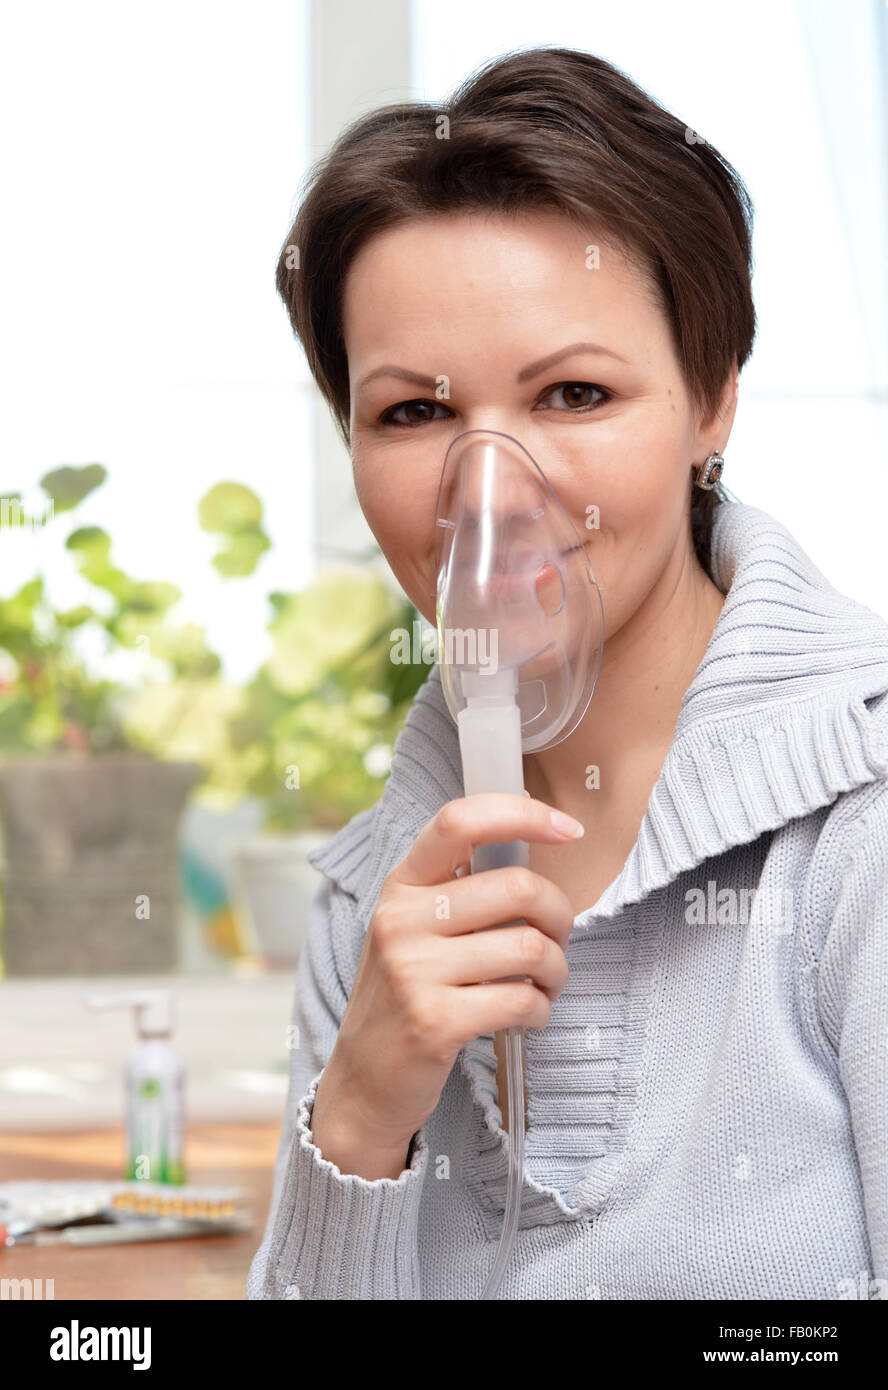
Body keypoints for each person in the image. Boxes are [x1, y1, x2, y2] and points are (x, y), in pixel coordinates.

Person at [247, 47, 888, 1300]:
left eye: (574, 393)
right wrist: (361, 1109)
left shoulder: (857, 836)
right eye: (415, 413)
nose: (490, 493)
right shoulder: (372, 902)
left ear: (712, 401)